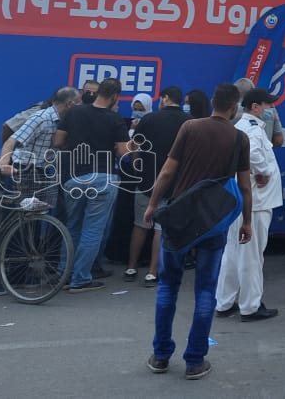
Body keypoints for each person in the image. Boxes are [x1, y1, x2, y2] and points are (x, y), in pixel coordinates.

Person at [144, 83, 252, 380]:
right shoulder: (239, 138)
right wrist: (247, 221)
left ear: (213, 102)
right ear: (234, 107)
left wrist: (153, 204)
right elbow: (245, 186)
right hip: (213, 222)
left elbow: (168, 171)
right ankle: (195, 360)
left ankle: (160, 355)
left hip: (179, 217)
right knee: (205, 290)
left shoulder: (190, 127)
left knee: (168, 286)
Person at [0, 86, 80, 296]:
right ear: (70, 104)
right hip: (23, 173)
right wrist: (3, 163)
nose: (81, 107)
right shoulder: (41, 118)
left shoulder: (60, 122)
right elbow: (11, 140)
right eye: (78, 103)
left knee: (30, 226)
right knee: (13, 225)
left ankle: (17, 273)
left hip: (38, 174)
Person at [52, 77, 130, 293]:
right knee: (93, 230)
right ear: (115, 97)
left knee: (72, 227)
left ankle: (63, 274)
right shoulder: (115, 119)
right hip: (103, 178)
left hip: (74, 177)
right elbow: (123, 152)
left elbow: (58, 141)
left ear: (97, 93)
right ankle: (80, 278)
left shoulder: (74, 112)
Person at [214, 88, 282, 322]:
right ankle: (250, 306)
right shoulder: (252, 129)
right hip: (256, 202)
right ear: (255, 107)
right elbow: (253, 154)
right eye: (268, 105)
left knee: (233, 253)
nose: (271, 109)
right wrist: (263, 171)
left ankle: (224, 302)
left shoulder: (242, 127)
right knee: (252, 256)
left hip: (245, 201)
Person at [124, 86, 189, 286]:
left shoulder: (149, 119)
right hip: (173, 183)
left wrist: (136, 165)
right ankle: (152, 272)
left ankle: (131, 267)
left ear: (165, 98)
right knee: (161, 229)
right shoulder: (189, 122)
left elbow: (135, 146)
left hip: (146, 180)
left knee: (140, 224)